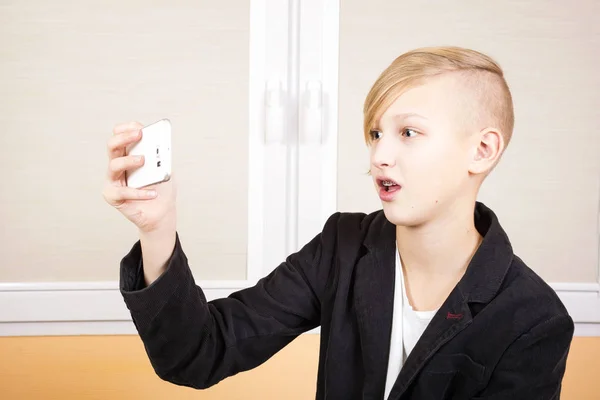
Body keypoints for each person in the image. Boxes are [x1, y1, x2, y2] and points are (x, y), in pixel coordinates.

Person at [103, 46, 574, 399]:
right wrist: (157, 230)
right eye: (375, 133)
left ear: (483, 150)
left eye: (408, 132)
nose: (379, 156)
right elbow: (198, 353)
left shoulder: (535, 319)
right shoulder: (342, 246)